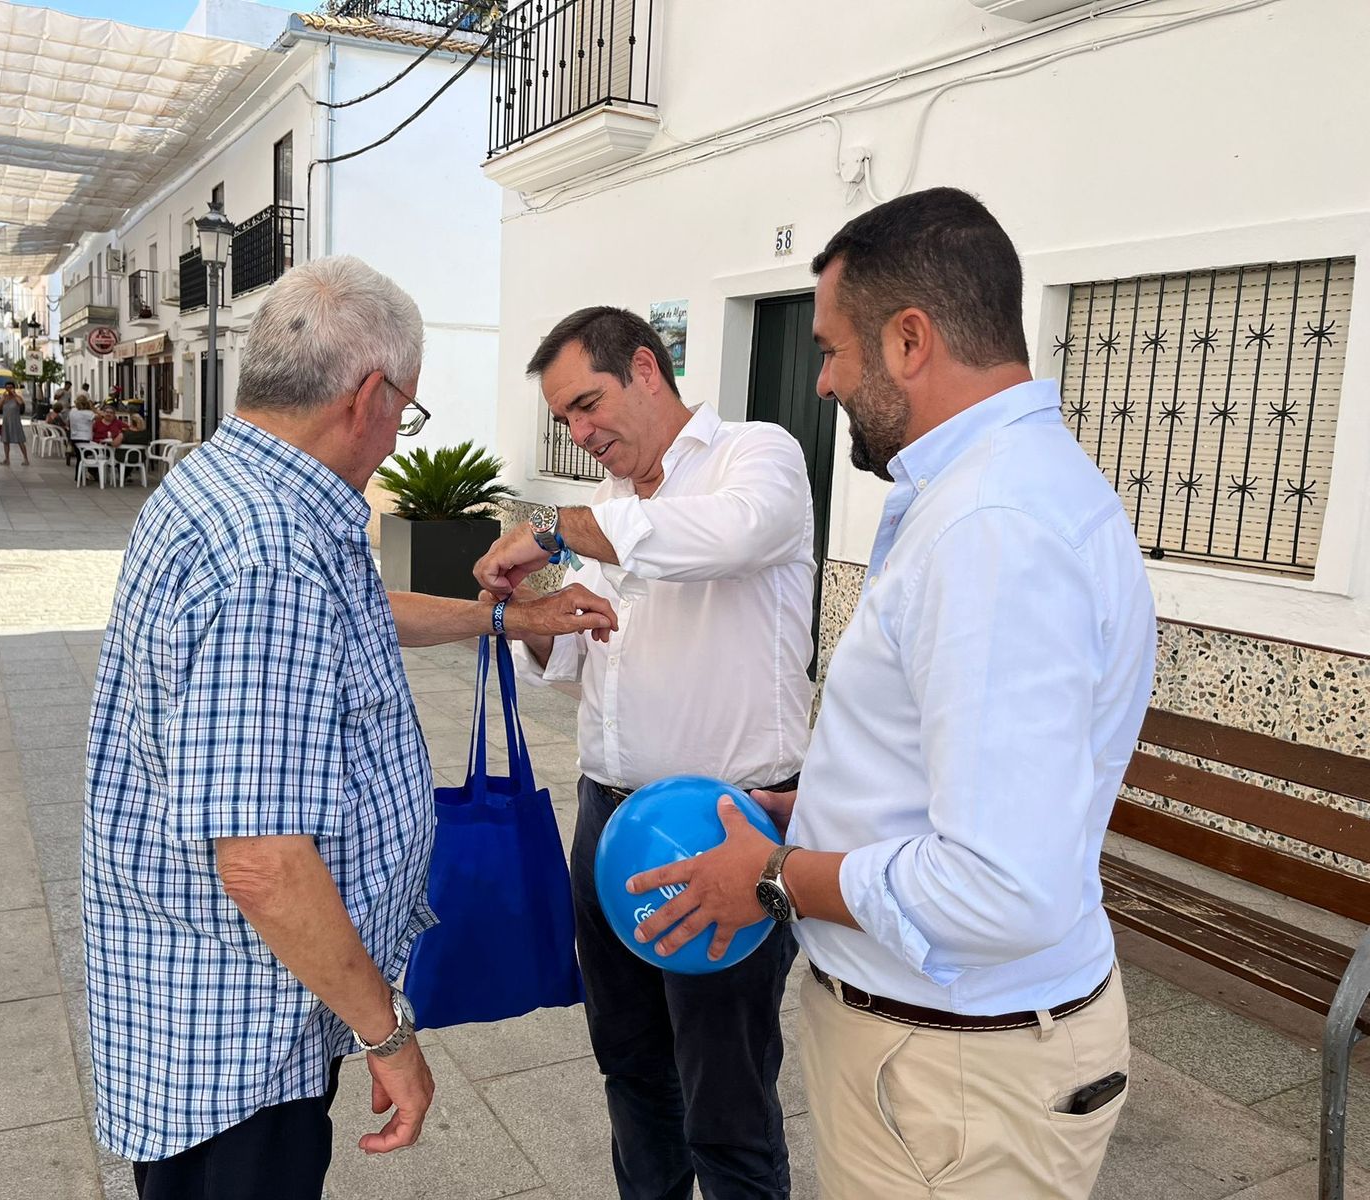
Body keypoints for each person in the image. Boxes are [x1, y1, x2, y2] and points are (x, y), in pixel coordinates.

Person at [624, 188, 1157, 1200]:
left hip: (956, 1079)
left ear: (909, 339)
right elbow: (952, 766)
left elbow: (1004, 882)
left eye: (832, 349)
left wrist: (780, 877)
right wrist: (818, 807)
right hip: (947, 1068)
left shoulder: (991, 530)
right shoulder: (983, 496)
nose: (820, 379)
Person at [82, 255, 618, 1200]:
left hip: (201, 1005)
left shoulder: (230, 487)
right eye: (406, 414)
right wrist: (388, 1033)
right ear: (368, 395)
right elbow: (261, 857)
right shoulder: (273, 554)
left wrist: (505, 618)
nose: (395, 436)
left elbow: (359, 607)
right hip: (242, 1036)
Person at [473, 306, 816, 1200]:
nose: (582, 434)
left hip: (724, 826)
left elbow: (728, 536)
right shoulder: (616, 510)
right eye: (567, 421)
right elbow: (572, 658)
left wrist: (552, 529)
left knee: (727, 1100)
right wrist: (533, 614)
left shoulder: (758, 455)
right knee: (630, 1072)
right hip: (607, 818)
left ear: (647, 369)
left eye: (590, 404)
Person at [0, 382, 28, 466]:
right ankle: (7, 459)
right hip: (6, 421)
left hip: (15, 421)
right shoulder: (4, 397)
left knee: (20, 440)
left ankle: (26, 458)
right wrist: (3, 398)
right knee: (5, 440)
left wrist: (14, 394)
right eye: (7, 387)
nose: (9, 389)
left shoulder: (17, 397)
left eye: (11, 387)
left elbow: (21, 403)